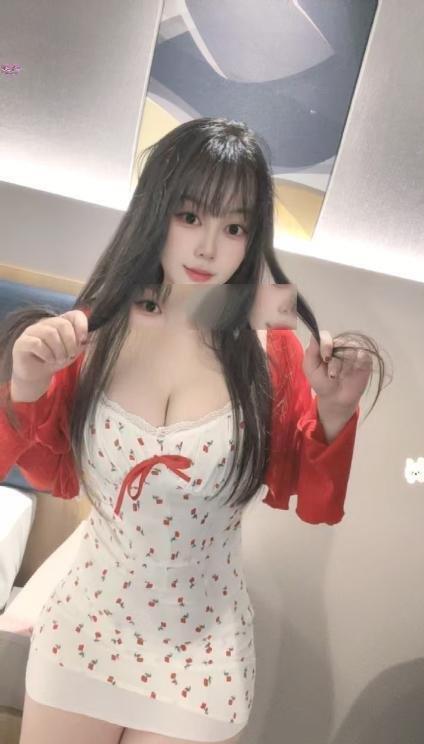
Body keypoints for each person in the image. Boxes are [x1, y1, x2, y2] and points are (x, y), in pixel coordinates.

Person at [0, 118, 386, 744]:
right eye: (190, 216)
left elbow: (315, 502)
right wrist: (26, 383)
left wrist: (335, 411)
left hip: (201, 654)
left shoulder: (271, 351)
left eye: (234, 227)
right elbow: (48, 471)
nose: (209, 247)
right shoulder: (91, 333)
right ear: (157, 211)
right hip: (84, 630)